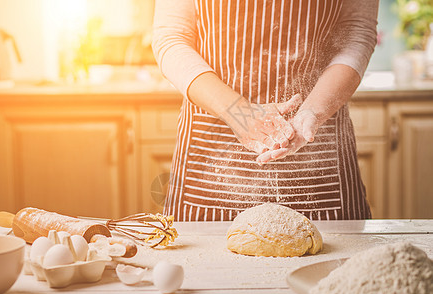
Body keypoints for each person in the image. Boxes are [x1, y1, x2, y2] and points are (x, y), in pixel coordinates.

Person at [152, 0, 378, 221]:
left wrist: (313, 112)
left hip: (317, 147)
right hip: (211, 157)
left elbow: (356, 32)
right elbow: (171, 37)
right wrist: (236, 112)